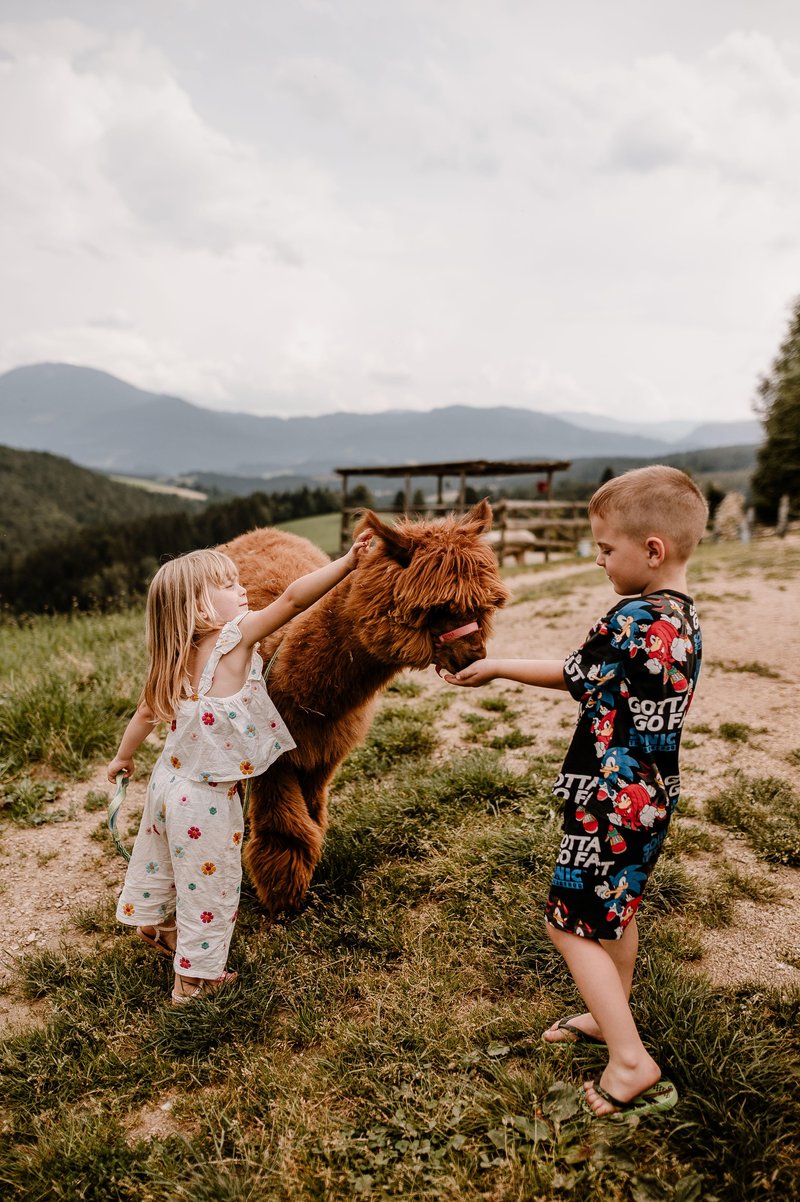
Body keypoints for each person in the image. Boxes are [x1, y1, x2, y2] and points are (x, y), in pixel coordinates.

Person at [444, 465, 707, 1117]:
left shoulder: (627, 619)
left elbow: (572, 673)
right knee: (617, 911)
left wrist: (499, 666)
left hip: (606, 799)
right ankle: (604, 1014)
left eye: (605, 549)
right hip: (650, 795)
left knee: (570, 927)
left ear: (652, 549)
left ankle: (630, 1061)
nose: (598, 562)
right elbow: (589, 678)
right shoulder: (682, 620)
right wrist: (500, 665)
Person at [108, 531, 372, 1005]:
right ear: (203, 612)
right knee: (210, 887)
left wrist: (123, 758)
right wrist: (348, 562)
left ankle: (159, 925)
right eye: (228, 585)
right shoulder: (236, 639)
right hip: (205, 799)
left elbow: (145, 714)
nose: (241, 588)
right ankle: (193, 981)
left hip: (166, 783)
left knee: (163, 862)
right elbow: (294, 599)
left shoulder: (172, 658)